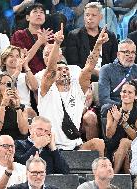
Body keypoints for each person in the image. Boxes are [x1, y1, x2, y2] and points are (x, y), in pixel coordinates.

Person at [38, 23, 106, 153]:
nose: (64, 71)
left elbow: (89, 67)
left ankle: (99, 172)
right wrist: (57, 44)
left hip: (74, 145)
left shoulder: (77, 88)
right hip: (50, 146)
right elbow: (50, 70)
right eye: (59, 69)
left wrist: (98, 45)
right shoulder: (46, 89)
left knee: (99, 143)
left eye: (66, 69)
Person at [98, 38, 137, 116]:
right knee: (106, 107)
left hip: (136, 108)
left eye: (133, 53)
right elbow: (104, 99)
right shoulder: (106, 69)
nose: (131, 56)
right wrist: (125, 106)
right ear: (118, 54)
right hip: (116, 107)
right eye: (126, 52)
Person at [65, 2, 118, 75]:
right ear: (84, 17)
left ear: (101, 17)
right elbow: (73, 63)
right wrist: (93, 72)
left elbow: (115, 61)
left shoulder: (110, 36)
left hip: (107, 76)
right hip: (83, 75)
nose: (90, 18)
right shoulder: (74, 36)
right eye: (87, 15)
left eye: (94, 15)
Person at [105, 80, 137, 173]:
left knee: (125, 142)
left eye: (130, 92)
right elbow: (109, 135)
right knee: (122, 143)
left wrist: (124, 123)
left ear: (136, 96)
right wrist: (116, 120)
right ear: (120, 93)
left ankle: (114, 174)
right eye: (124, 91)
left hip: (132, 146)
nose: (126, 94)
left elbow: (136, 137)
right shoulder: (112, 110)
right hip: (114, 145)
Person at [11, 3, 53, 75]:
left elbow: (55, 60)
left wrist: (47, 44)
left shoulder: (49, 35)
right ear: (27, 18)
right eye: (35, 12)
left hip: (48, 75)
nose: (39, 14)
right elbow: (21, 60)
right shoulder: (19, 35)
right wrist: (39, 42)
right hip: (28, 74)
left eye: (42, 12)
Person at [0, 73, 29, 140]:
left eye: (9, 83)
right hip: (0, 143)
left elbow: (24, 131)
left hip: (18, 143)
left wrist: (17, 107)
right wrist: (3, 105)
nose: (7, 86)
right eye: (3, 83)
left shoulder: (21, 107)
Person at [1, 45, 38, 118]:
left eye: (17, 56)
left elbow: (35, 87)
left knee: (31, 113)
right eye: (11, 56)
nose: (15, 59)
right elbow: (6, 89)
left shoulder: (25, 76)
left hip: (26, 109)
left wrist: (26, 66)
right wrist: (17, 72)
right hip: (7, 108)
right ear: (4, 60)